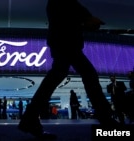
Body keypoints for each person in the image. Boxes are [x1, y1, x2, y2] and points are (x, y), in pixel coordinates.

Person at [18, 0, 118, 139]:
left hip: (62, 41)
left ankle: (29, 118)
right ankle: (105, 119)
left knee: (58, 76)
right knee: (87, 74)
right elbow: (68, 14)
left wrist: (84, 21)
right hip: (67, 42)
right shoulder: (64, 4)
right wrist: (86, 20)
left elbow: (65, 16)